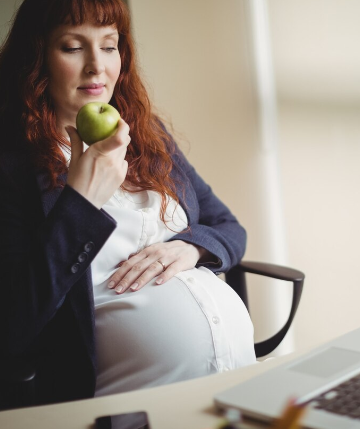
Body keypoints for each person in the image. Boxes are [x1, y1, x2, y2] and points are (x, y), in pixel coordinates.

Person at [0, 0, 256, 406]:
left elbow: (228, 226)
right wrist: (82, 201)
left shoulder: (145, 132)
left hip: (232, 393)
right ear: (38, 57)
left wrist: (190, 247)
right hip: (127, 405)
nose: (96, 67)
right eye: (72, 47)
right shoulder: (13, 166)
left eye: (109, 45)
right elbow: (14, 323)